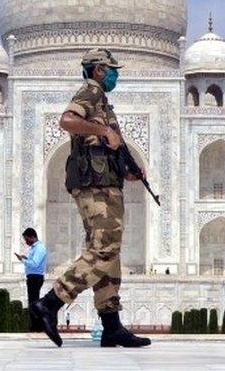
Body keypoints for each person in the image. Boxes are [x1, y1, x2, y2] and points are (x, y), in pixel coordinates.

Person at [30, 49, 151, 348]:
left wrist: (127, 172)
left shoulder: (102, 100)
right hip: (94, 187)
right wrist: (102, 130)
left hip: (106, 184)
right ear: (98, 70)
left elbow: (102, 147)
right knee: (104, 249)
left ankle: (111, 326)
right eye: (112, 70)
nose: (115, 75)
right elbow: (68, 121)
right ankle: (51, 302)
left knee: (109, 254)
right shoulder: (89, 92)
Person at [14, 227, 47, 332]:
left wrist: (23, 260)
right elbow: (33, 261)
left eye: (27, 239)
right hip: (33, 277)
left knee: (34, 302)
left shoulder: (39, 248)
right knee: (33, 302)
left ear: (32, 237)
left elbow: (35, 264)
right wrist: (26, 259)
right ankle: (35, 326)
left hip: (36, 277)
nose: (26, 242)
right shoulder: (34, 248)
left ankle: (37, 327)